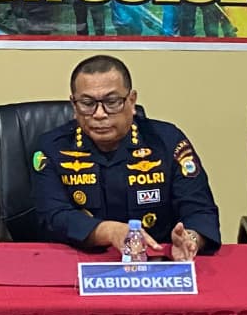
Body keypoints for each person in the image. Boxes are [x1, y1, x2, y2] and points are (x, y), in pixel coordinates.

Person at [32, 55, 221, 260]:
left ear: (131, 101)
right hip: (78, 261)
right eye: (87, 103)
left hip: (156, 260)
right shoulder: (51, 148)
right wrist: (110, 232)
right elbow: (53, 216)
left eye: (112, 102)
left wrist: (191, 239)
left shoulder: (167, 142)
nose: (99, 114)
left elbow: (200, 210)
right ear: (74, 105)